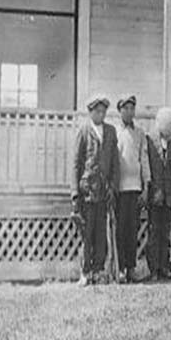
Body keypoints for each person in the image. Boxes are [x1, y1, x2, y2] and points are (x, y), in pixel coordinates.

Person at [71, 96, 119, 286]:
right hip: (87, 191)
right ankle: (85, 271)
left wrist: (113, 186)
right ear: (90, 112)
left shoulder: (110, 131)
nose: (100, 114)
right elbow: (76, 164)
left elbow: (114, 162)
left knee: (101, 233)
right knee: (87, 233)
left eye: (103, 111)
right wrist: (75, 193)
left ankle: (98, 270)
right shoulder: (83, 131)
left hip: (104, 191)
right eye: (97, 111)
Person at [115, 95, 150, 282]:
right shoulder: (114, 132)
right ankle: (120, 268)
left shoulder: (140, 133)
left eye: (132, 108)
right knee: (120, 230)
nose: (129, 112)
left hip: (135, 187)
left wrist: (146, 186)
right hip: (120, 189)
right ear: (119, 110)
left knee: (132, 229)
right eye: (125, 108)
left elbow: (144, 159)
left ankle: (131, 268)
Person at [145, 107, 171, 280]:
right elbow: (148, 168)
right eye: (170, 124)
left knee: (165, 233)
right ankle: (153, 269)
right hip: (155, 195)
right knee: (154, 232)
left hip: (168, 196)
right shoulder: (150, 140)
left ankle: (164, 267)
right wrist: (154, 190)